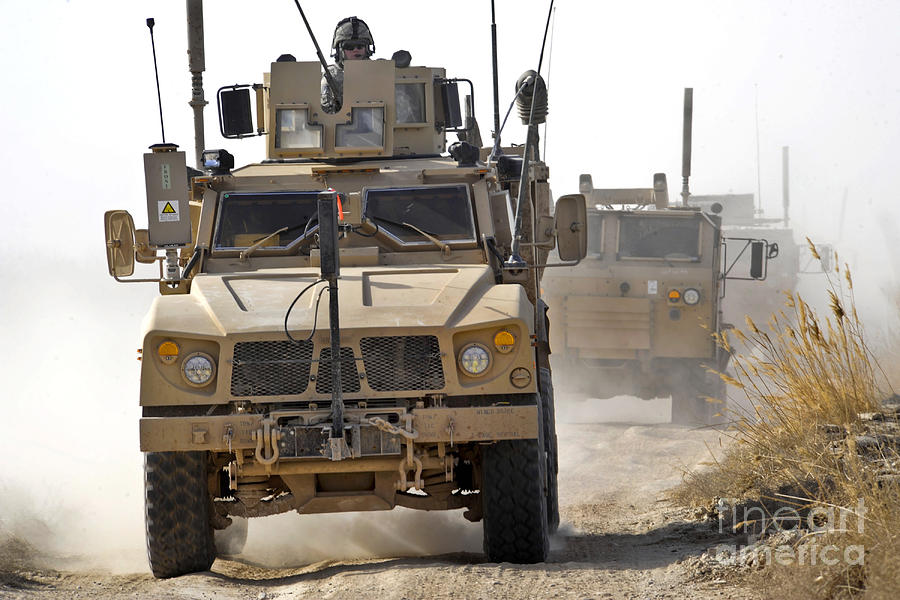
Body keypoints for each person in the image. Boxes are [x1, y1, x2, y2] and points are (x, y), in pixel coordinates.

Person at [321, 16, 375, 114]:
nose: (355, 50)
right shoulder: (331, 76)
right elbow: (325, 111)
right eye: (349, 47)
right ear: (340, 51)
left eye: (360, 45)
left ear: (366, 48)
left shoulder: (379, 71)